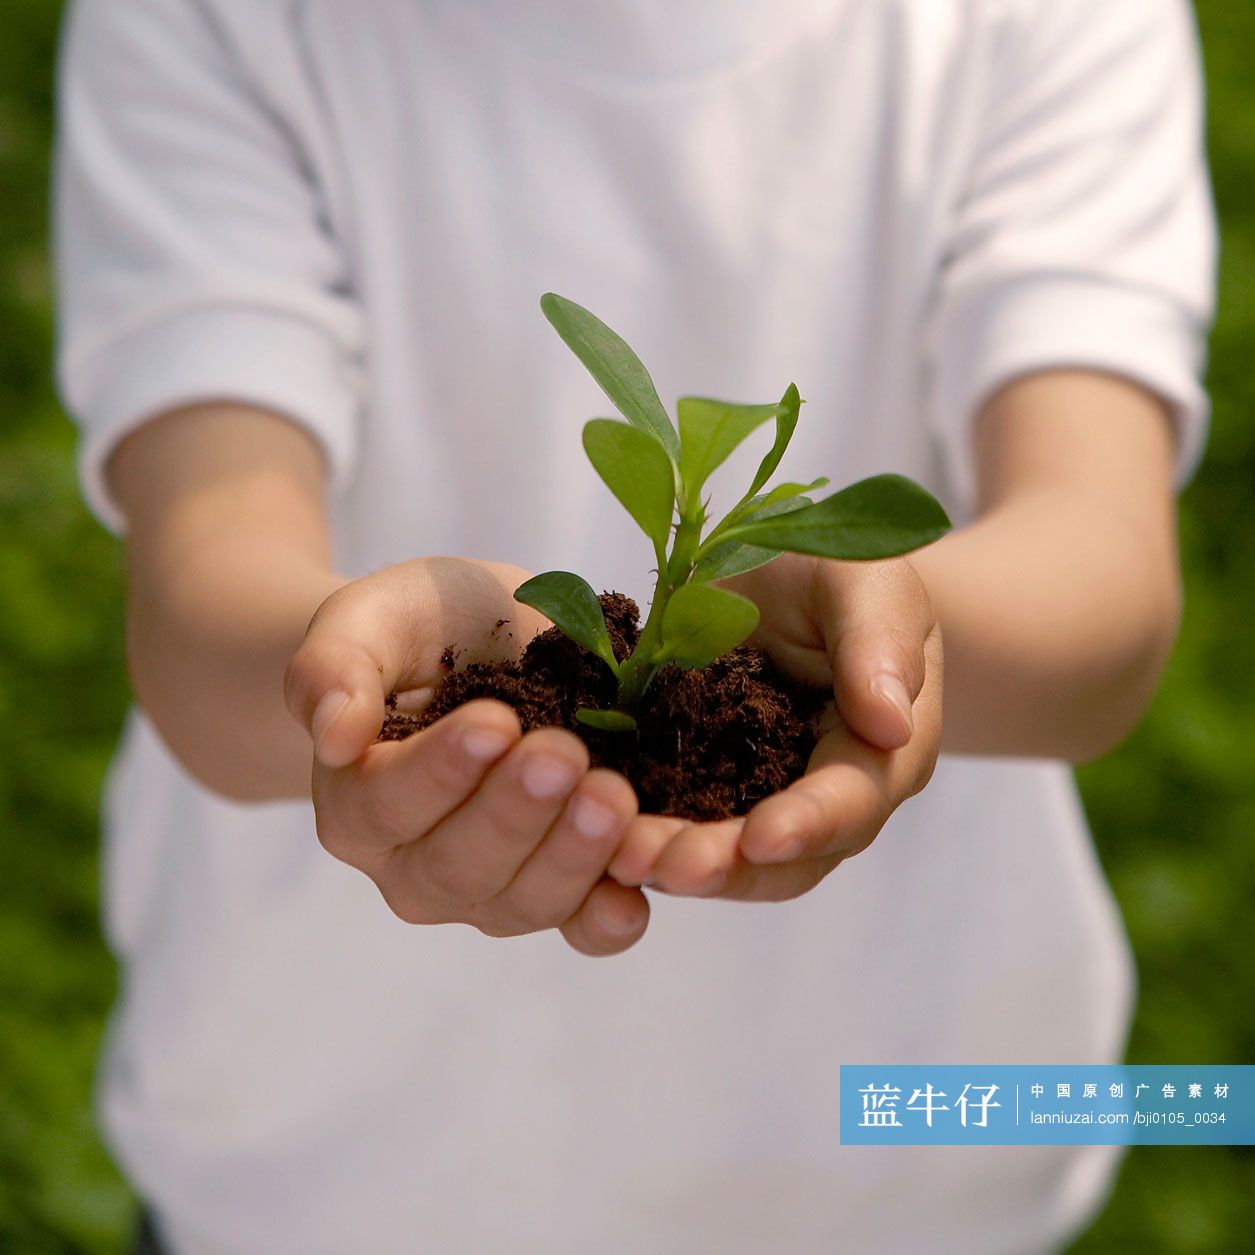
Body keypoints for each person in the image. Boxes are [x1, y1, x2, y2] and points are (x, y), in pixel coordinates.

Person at [54, 0, 1215, 1251]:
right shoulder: (214, 21)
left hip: (896, 1161)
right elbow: (203, 590)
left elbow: (1104, 592)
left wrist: (887, 630)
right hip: (339, 1169)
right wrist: (355, 679)